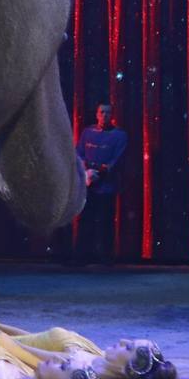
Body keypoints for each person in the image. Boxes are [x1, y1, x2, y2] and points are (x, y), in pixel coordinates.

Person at [0, 317, 178, 379]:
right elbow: (36, 339)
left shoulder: (78, 367)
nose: (122, 341)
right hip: (1, 337)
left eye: (128, 348)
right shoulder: (97, 357)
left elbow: (19, 350)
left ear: (128, 369)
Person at [76, 103, 128, 264]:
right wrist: (87, 172)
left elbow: (117, 159)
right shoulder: (87, 132)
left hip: (107, 186)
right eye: (101, 112)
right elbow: (78, 154)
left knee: (106, 221)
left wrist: (100, 171)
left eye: (107, 112)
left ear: (112, 115)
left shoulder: (119, 135)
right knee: (86, 221)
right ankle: (82, 256)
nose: (104, 115)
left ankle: (106, 256)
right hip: (88, 184)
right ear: (97, 114)